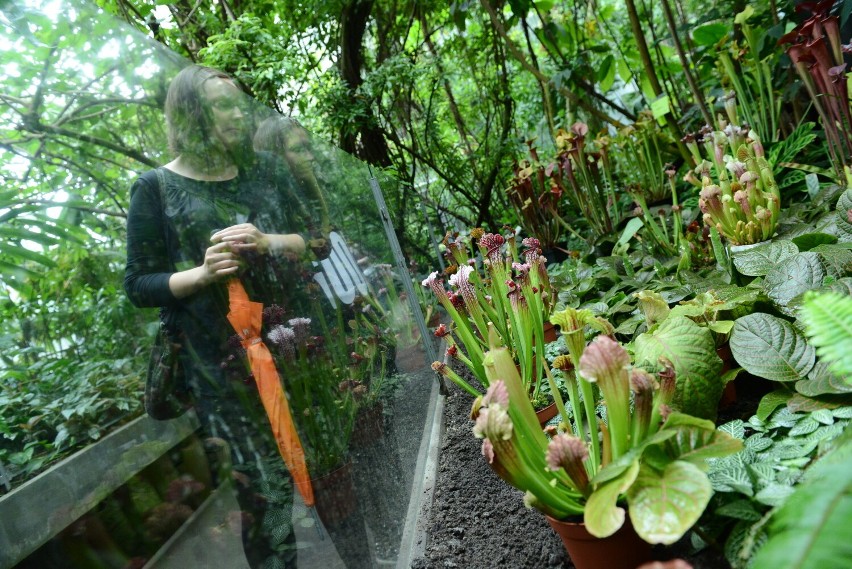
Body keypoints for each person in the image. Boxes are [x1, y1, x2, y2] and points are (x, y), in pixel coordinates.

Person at [124, 65, 307, 569]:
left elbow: (314, 243)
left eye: (238, 102)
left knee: (327, 470)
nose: (238, 112)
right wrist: (200, 274)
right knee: (265, 497)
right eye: (223, 104)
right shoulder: (154, 188)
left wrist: (268, 242)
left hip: (299, 350)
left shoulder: (266, 171)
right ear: (191, 114)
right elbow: (138, 285)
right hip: (220, 374)